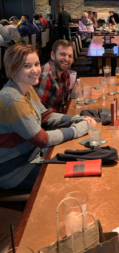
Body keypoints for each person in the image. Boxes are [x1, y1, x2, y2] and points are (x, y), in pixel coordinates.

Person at [0, 43, 93, 190]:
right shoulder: (13, 99)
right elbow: (42, 139)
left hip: (36, 156)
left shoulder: (25, 87)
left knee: (83, 164)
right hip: (16, 170)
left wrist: (75, 119)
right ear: (13, 68)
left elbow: (45, 115)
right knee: (74, 181)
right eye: (27, 66)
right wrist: (77, 129)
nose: (35, 70)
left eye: (36, 64)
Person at [34, 39, 73, 113]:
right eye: (63, 54)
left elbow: (64, 102)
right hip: (49, 122)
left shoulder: (65, 73)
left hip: (60, 116)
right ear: (53, 55)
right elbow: (38, 112)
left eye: (70, 56)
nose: (67, 59)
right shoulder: (45, 76)